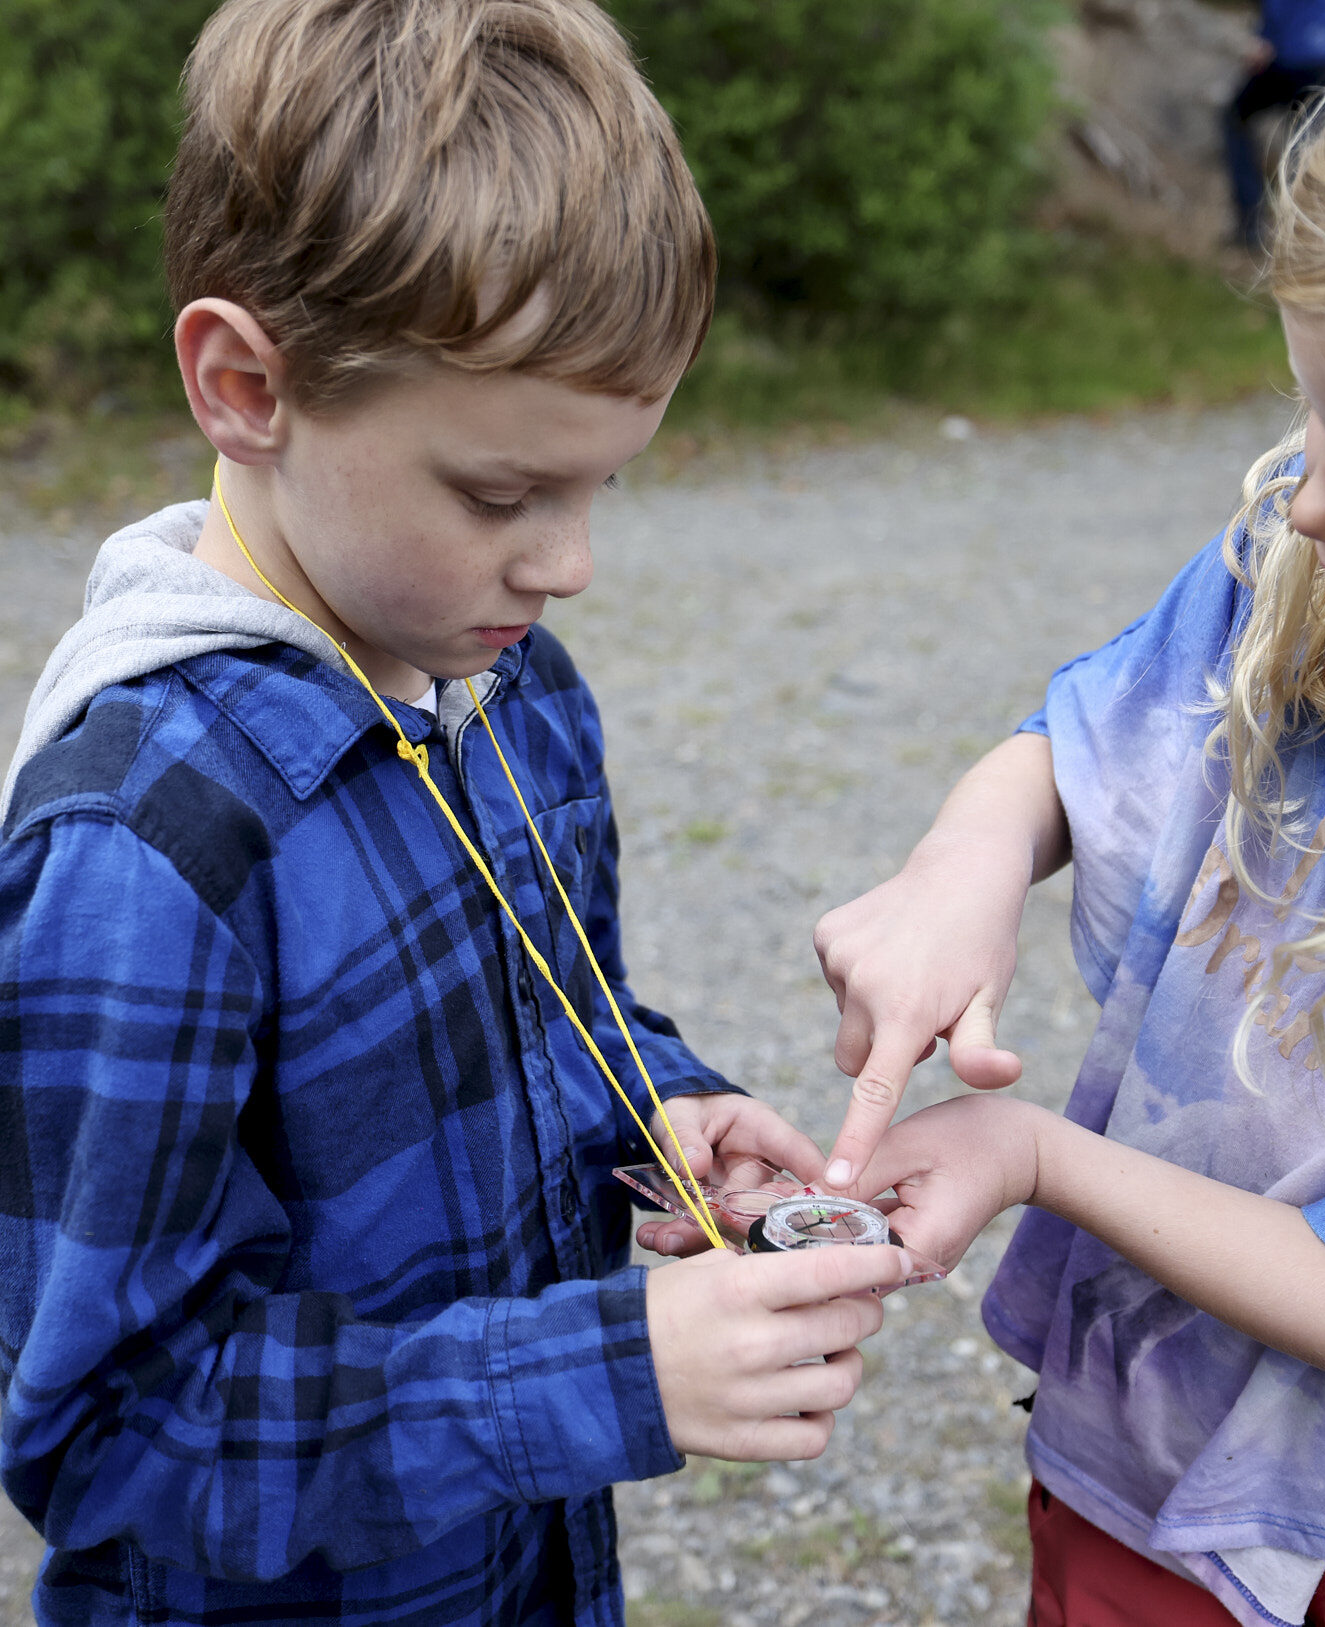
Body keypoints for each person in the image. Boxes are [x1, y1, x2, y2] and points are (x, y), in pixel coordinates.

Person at [0, 3, 909, 1623]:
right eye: (500, 494)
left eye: (601, 484)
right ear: (244, 386)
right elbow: (104, 1429)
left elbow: (552, 1012)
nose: (568, 564)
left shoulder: (509, 683)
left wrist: (659, 1113)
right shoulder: (148, 844)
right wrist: (598, 1370)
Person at [807, 1, 1325, 1622]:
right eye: (1316, 415)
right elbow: (1072, 743)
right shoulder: (1302, 576)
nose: (1318, 502)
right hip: (1134, 1449)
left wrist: (1038, 1153)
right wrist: (964, 862)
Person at [1222, 0, 1325, 249]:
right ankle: (1310, 235)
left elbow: (1273, 28)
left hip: (1295, 61)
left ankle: (1252, 227)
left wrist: (1266, 40)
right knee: (1307, 145)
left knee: (1235, 118)